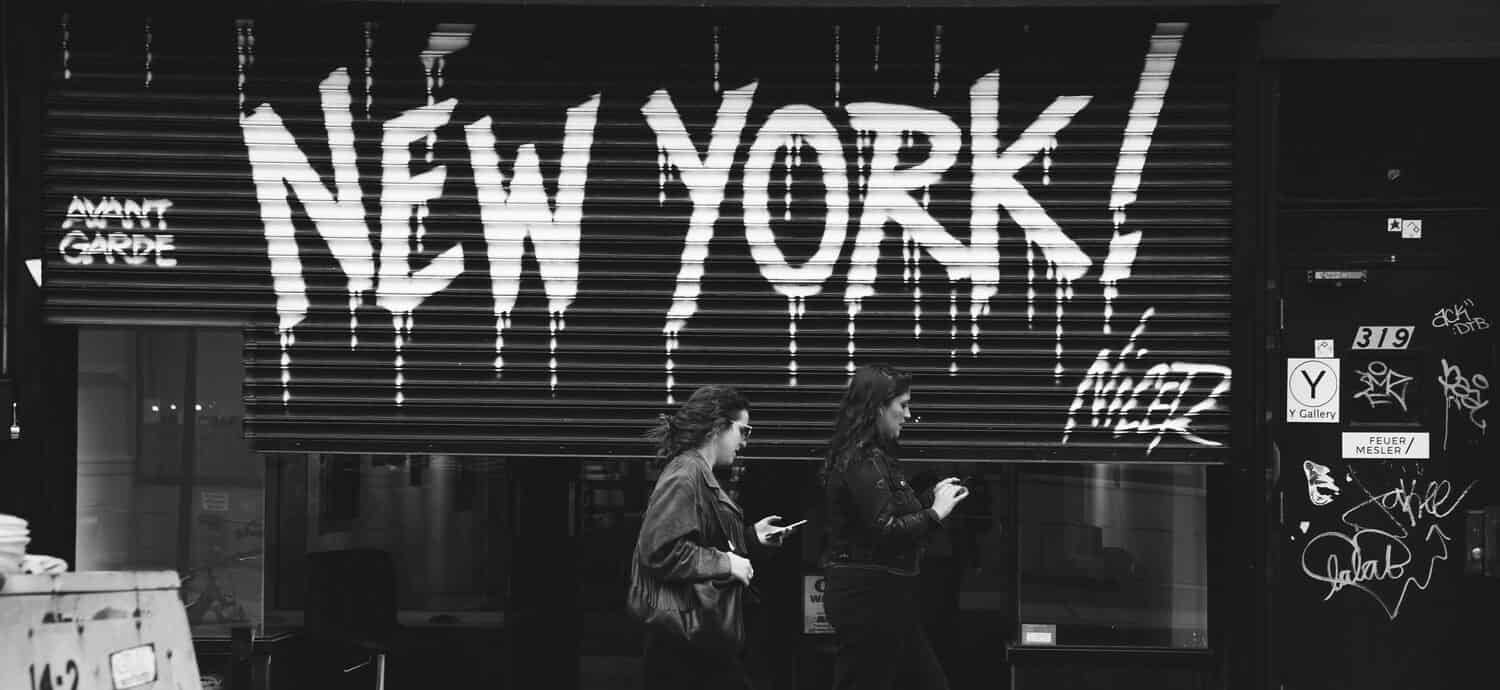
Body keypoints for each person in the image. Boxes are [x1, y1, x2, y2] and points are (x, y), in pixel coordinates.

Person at [819, 363, 970, 690]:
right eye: (902, 405)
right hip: (869, 598)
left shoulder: (874, 458)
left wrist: (932, 498)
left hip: (886, 597)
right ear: (877, 408)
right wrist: (936, 514)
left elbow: (888, 511)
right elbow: (885, 529)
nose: (908, 413)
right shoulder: (862, 460)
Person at [632, 384, 791, 690]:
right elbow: (659, 551)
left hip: (697, 638)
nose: (745, 442)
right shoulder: (686, 475)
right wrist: (727, 563)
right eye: (743, 431)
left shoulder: (698, 473)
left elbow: (701, 540)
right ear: (718, 427)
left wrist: (750, 538)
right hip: (685, 641)